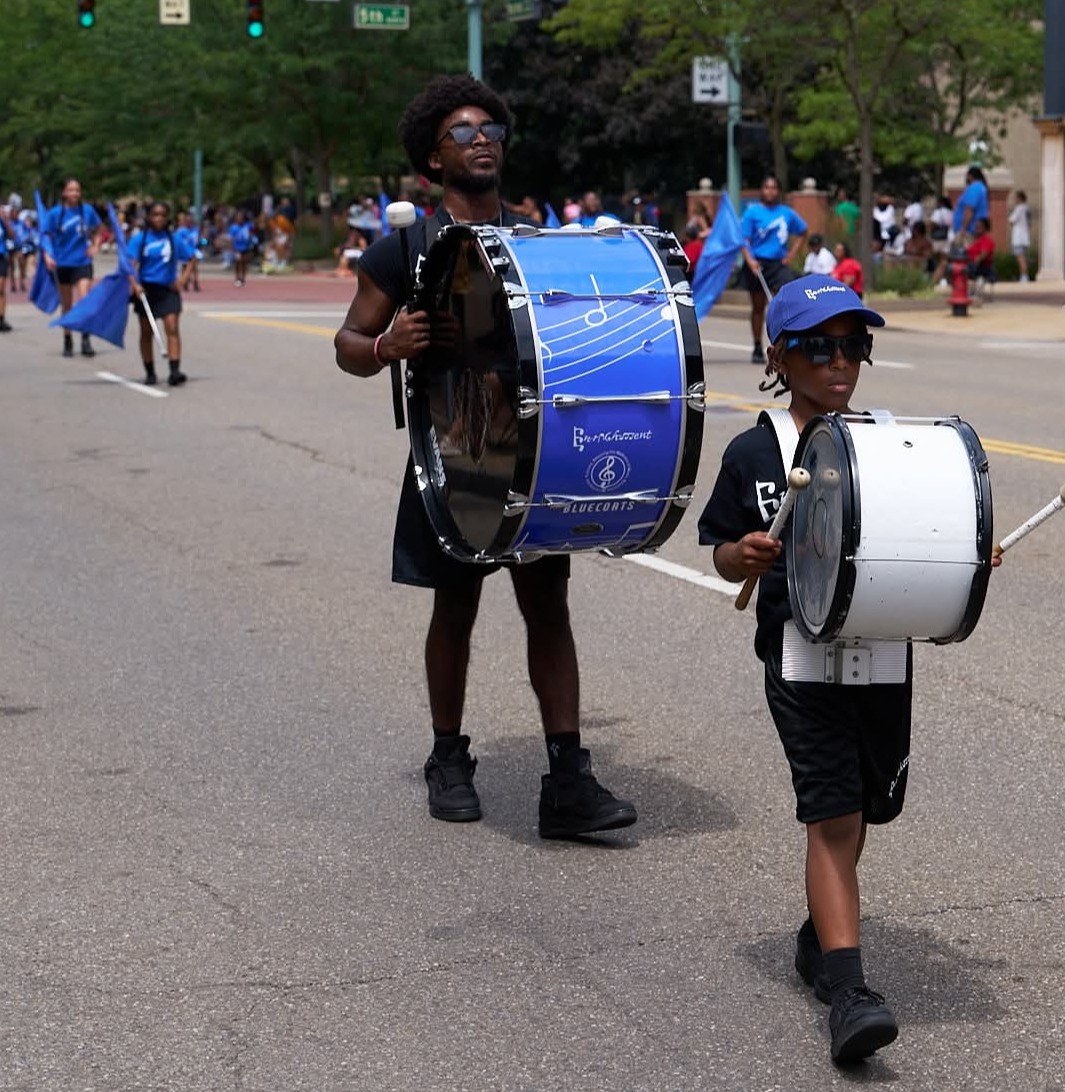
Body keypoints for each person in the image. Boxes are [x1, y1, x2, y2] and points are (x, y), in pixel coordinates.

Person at [698, 274, 999, 1064]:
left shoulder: (883, 444)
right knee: (832, 817)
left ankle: (819, 936)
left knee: (865, 810)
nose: (840, 363)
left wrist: (967, 550)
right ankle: (850, 993)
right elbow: (720, 549)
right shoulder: (756, 451)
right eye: (819, 347)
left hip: (883, 652)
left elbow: (926, 529)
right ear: (779, 357)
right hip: (800, 657)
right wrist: (742, 555)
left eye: (853, 347)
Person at [333, 73, 637, 838]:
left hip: (531, 453)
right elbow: (348, 344)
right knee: (455, 608)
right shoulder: (404, 247)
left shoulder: (537, 242)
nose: (481, 141)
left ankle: (567, 777)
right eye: (462, 133)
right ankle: (448, 755)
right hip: (453, 456)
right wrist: (386, 344)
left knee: (548, 609)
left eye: (491, 130)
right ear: (432, 159)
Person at [740, 175, 808, 363]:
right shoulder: (752, 212)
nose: (770, 191)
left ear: (778, 191)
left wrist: (791, 255)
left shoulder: (786, 213)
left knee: (783, 303)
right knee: (758, 307)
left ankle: (784, 344)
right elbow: (743, 239)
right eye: (767, 187)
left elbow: (803, 232)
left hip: (778, 264)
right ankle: (757, 346)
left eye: (774, 188)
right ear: (762, 190)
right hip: (757, 263)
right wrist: (750, 260)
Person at [126, 201, 194, 387]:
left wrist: (182, 280)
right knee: (146, 332)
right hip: (147, 290)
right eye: (155, 215)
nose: (159, 219)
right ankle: (150, 372)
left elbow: (191, 258)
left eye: (163, 215)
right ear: (148, 217)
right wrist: (135, 285)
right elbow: (130, 265)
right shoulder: (140, 239)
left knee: (172, 326)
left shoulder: (173, 239)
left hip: (167, 289)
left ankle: (174, 370)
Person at [42, 178, 102, 358]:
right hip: (63, 263)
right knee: (67, 304)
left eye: (77, 190)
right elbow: (45, 235)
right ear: (64, 193)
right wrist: (48, 254)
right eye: (71, 190)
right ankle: (67, 339)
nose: (75, 193)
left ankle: (86, 339)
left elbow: (99, 229)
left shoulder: (87, 211)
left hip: (82, 262)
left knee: (84, 300)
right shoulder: (56, 213)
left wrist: (95, 245)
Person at [951, 167, 988, 239]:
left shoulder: (974, 188)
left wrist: (963, 228)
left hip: (969, 231)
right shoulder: (981, 188)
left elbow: (969, 209)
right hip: (974, 229)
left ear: (970, 176)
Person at [175, 211, 203, 292]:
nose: (189, 222)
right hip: (185, 252)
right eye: (187, 220)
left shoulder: (195, 230)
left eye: (191, 220)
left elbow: (197, 240)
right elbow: (179, 241)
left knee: (194, 268)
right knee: (184, 267)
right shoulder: (181, 231)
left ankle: (195, 283)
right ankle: (185, 283)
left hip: (194, 251)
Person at [228, 210, 257, 288]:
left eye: (241, 217)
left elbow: (251, 233)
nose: (240, 219)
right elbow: (230, 239)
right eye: (238, 217)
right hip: (237, 247)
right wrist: (231, 248)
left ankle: (243, 278)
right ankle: (237, 277)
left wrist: (251, 243)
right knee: (238, 261)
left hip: (246, 247)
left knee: (244, 262)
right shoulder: (233, 227)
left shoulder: (248, 226)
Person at [1008, 190, 1032, 282]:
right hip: (1025, 237)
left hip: (1019, 237)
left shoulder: (1019, 208)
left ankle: (1024, 276)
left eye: (1016, 198)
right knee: (1023, 258)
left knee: (1020, 258)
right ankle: (1024, 275)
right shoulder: (1027, 209)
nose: (1014, 200)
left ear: (1020, 198)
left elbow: (1011, 220)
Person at [0, 207, 14, 332]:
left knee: (1, 288)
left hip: (1, 256)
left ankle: (1, 319)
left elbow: (12, 235)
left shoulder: (2, 221)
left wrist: (6, 221)